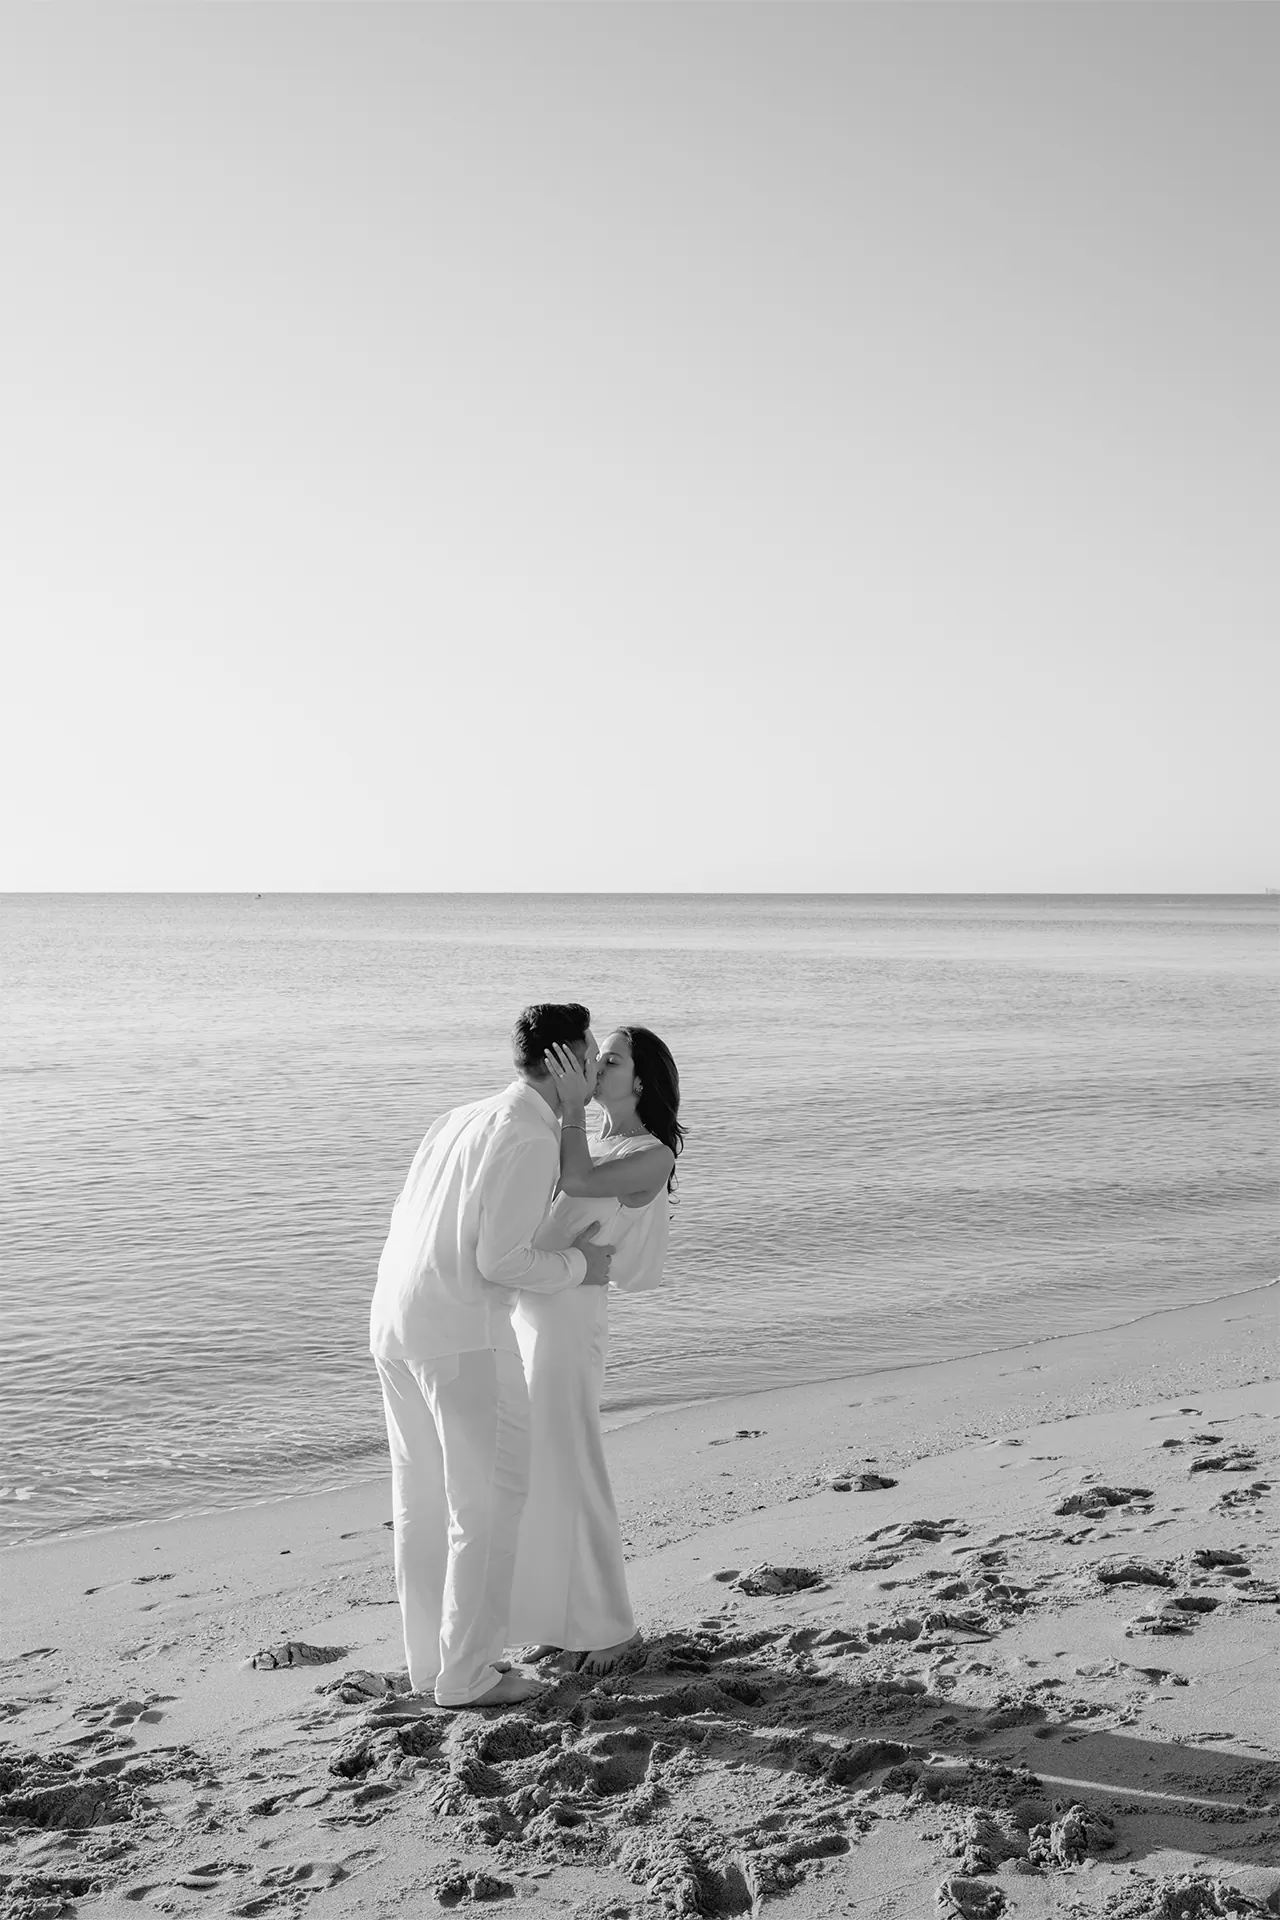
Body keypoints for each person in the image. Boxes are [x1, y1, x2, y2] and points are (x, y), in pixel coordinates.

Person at [368, 1004, 614, 1710]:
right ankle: (469, 1675)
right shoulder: (529, 1134)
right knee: (487, 1505)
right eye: (590, 1054)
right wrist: (580, 1265)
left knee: (421, 1505)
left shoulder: (457, 1117)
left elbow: (409, 1223)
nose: (597, 1067)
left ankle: (432, 1667)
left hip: (395, 1324)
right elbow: (501, 1260)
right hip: (463, 1335)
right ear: (565, 1061)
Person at [508, 1026, 684, 1675]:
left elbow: (578, 1180)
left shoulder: (652, 1154)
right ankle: (563, 1622)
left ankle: (611, 1628)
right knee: (542, 1473)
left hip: (571, 1320)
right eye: (597, 1057)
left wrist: (570, 1107)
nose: (597, 1066)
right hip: (535, 1311)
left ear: (641, 1080)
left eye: (611, 1060)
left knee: (575, 1466)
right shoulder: (593, 1139)